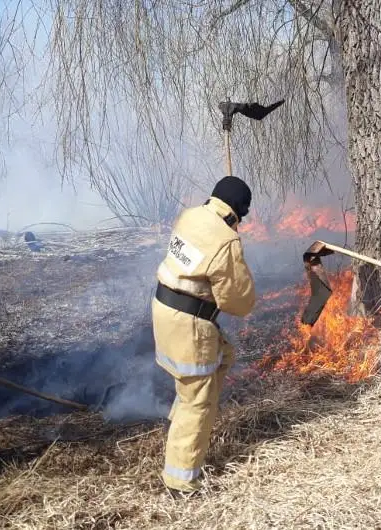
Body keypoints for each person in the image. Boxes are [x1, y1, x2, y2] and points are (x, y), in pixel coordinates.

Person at [152, 176, 256, 496]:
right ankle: (180, 481)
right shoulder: (226, 240)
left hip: (164, 313)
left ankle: (175, 423)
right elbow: (237, 301)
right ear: (239, 210)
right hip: (190, 325)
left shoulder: (189, 216)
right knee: (198, 402)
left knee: (223, 355)